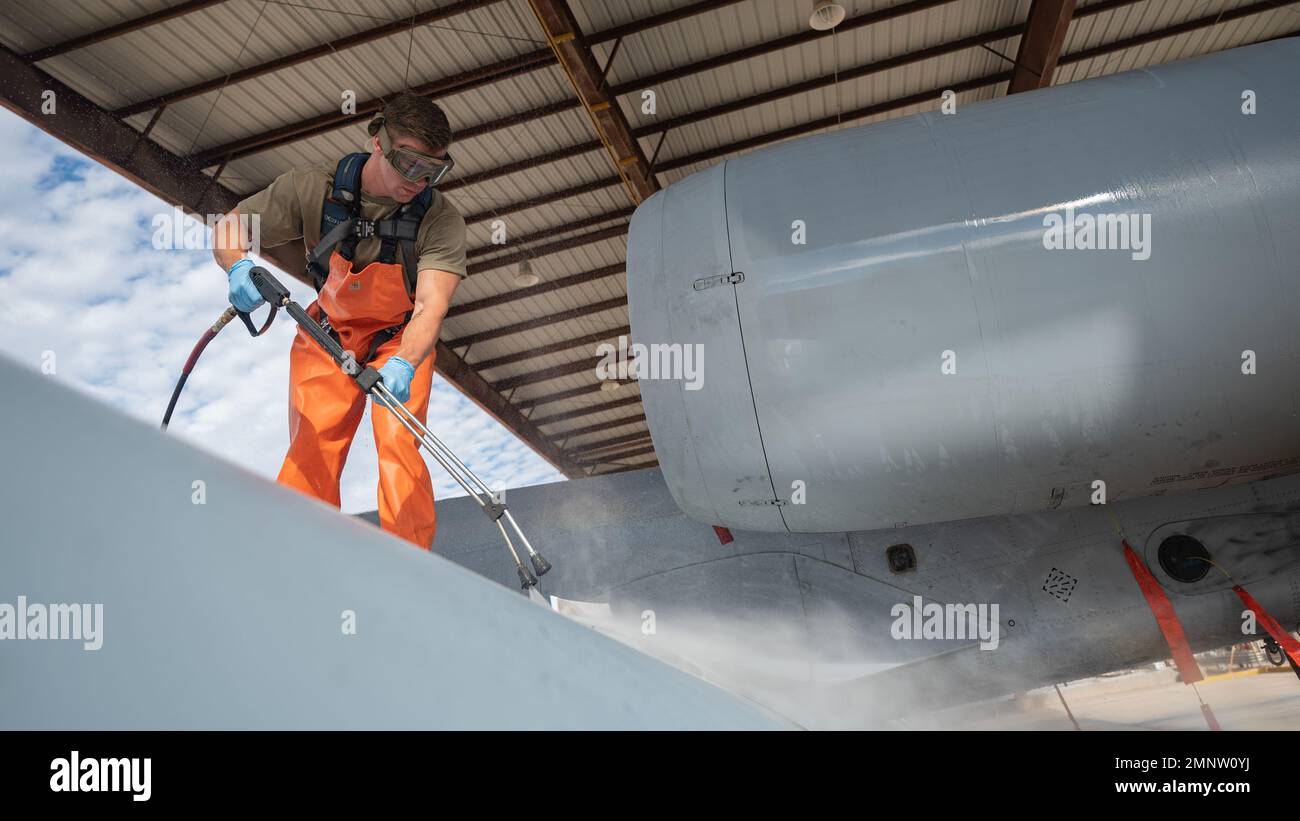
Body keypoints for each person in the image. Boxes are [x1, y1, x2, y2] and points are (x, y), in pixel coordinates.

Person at [211, 91, 467, 549]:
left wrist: (406, 361)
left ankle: (411, 573)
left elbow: (431, 307)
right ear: (377, 141)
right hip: (327, 333)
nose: (419, 181)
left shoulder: (440, 219)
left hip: (400, 339)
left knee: (398, 446)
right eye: (409, 165)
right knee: (313, 445)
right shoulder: (313, 187)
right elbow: (232, 226)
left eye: (433, 171)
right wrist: (237, 266)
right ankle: (297, 559)